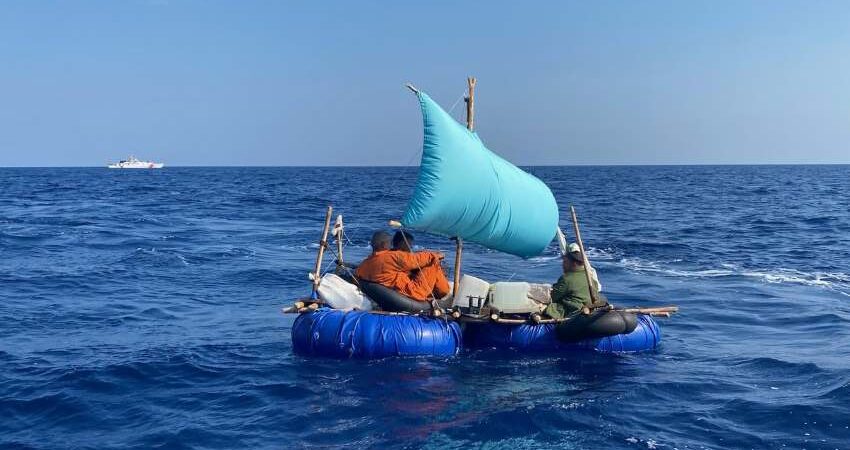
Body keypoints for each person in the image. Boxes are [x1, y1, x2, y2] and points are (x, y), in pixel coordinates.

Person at [355, 231, 450, 301]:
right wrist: (436, 255)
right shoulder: (391, 257)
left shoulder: (364, 264)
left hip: (392, 292)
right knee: (433, 264)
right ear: (384, 244)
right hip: (412, 292)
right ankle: (444, 293)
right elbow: (416, 260)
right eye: (389, 243)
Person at [544, 244, 607, 319]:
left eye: (565, 262)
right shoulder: (591, 278)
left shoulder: (566, 279)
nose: (563, 265)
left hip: (572, 312)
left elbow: (553, 297)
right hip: (589, 308)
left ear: (573, 264)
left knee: (546, 306)